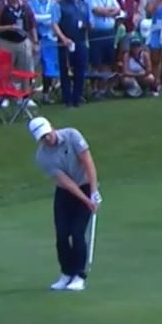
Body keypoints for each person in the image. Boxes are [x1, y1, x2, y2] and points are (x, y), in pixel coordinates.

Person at [29, 116, 100, 292]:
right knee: (62, 235)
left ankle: (79, 276)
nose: (47, 138)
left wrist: (93, 192)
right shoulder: (42, 157)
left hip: (86, 186)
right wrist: (86, 201)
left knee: (77, 233)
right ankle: (66, 273)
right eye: (42, 137)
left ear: (52, 128)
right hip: (66, 192)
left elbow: (88, 162)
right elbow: (65, 182)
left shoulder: (72, 135)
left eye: (47, 133)